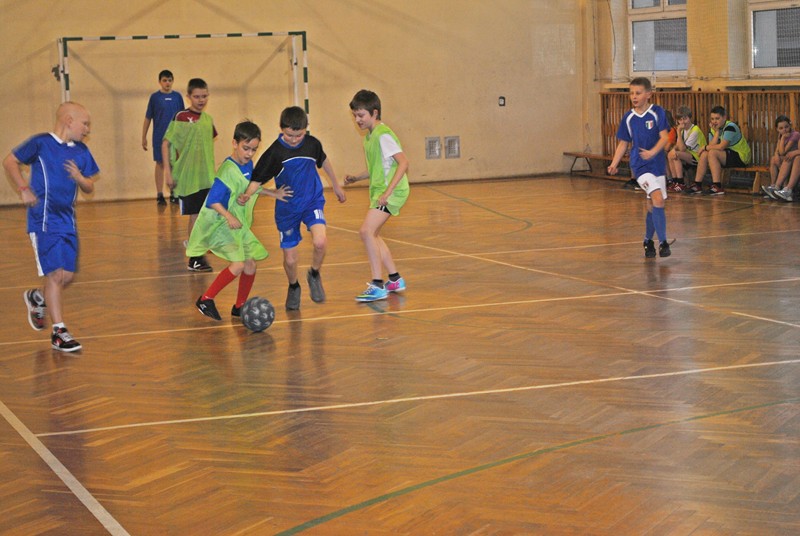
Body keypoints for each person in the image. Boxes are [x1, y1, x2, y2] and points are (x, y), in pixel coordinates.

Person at [2, 102, 100, 352]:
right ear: (69, 120)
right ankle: (59, 332)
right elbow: (10, 161)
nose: (87, 129)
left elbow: (89, 186)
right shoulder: (41, 143)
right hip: (43, 220)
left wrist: (80, 178)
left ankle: (37, 297)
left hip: (68, 221)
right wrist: (23, 189)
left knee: (66, 276)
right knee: (56, 275)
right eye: (84, 124)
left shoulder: (82, 151)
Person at [240, 106, 346, 310]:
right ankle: (294, 286)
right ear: (281, 129)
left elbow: (324, 161)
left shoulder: (312, 144)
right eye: (290, 135)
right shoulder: (274, 153)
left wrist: (336, 184)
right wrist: (247, 195)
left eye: (299, 135)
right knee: (290, 259)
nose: (295, 139)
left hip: (312, 201)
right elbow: (256, 181)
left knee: (320, 241)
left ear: (306, 129)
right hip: (287, 208)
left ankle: (314, 273)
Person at [191, 121, 292, 320]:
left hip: (237, 224)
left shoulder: (248, 165)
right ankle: (205, 299)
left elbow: (249, 186)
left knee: (250, 264)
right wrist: (229, 216)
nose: (249, 153)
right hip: (222, 223)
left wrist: (272, 193)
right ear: (234, 143)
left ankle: (239, 306)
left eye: (254, 149)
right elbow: (212, 201)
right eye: (246, 148)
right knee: (238, 265)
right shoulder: (227, 170)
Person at [345, 89, 411, 301]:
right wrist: (356, 178)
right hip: (380, 192)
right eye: (355, 115)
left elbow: (403, 163)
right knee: (373, 234)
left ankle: (377, 284)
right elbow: (377, 168)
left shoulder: (383, 135)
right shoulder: (370, 137)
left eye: (361, 115)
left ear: (374, 113)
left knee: (366, 231)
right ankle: (394, 279)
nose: (357, 120)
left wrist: (387, 192)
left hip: (392, 192)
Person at [607, 77, 671, 258]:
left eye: (638, 93)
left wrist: (653, 152)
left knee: (653, 205)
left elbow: (665, 138)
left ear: (648, 94)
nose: (634, 97)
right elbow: (623, 143)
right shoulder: (629, 118)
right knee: (658, 199)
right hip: (640, 165)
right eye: (631, 93)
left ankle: (647, 241)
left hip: (657, 165)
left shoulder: (657, 112)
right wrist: (614, 164)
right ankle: (663, 243)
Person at [162, 78, 217, 272]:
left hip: (206, 177)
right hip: (188, 178)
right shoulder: (181, 117)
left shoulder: (208, 120)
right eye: (197, 96)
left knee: (205, 214)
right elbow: (166, 144)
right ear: (189, 97)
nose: (201, 100)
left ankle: (197, 247)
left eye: (204, 96)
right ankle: (194, 258)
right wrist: (168, 172)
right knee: (195, 215)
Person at [686, 105, 752, 196]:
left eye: (717, 118)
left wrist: (704, 147)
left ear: (724, 117)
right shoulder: (713, 129)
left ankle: (717, 186)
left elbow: (721, 147)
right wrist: (716, 132)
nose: (714, 121)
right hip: (726, 155)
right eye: (712, 119)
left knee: (712, 153)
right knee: (705, 154)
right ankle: (697, 185)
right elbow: (711, 146)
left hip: (741, 157)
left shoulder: (730, 127)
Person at [141, 69, 184, 206]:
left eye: (170, 80)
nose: (167, 83)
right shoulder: (155, 98)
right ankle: (159, 194)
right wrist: (143, 136)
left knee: (174, 164)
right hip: (159, 137)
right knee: (160, 163)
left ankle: (174, 194)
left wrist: (184, 137)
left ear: (173, 81)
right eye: (165, 80)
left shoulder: (177, 97)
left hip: (175, 137)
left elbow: (182, 118)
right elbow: (148, 118)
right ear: (160, 82)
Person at [667, 106, 707, 192]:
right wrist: (673, 149)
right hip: (688, 155)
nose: (682, 122)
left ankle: (681, 183)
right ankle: (675, 181)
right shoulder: (683, 130)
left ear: (690, 118)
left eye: (685, 119)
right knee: (670, 154)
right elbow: (678, 145)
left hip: (698, 157)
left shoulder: (695, 130)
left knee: (676, 154)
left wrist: (678, 131)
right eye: (680, 120)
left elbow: (682, 149)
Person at [762, 115, 800, 200]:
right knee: (774, 159)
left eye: (786, 127)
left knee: (788, 158)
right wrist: (776, 155)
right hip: (789, 158)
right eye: (781, 128)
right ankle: (774, 187)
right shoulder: (781, 135)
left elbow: (783, 152)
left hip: (793, 159)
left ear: (790, 125)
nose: (784, 130)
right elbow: (778, 150)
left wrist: (782, 139)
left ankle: (783, 188)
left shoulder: (795, 134)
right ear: (777, 129)